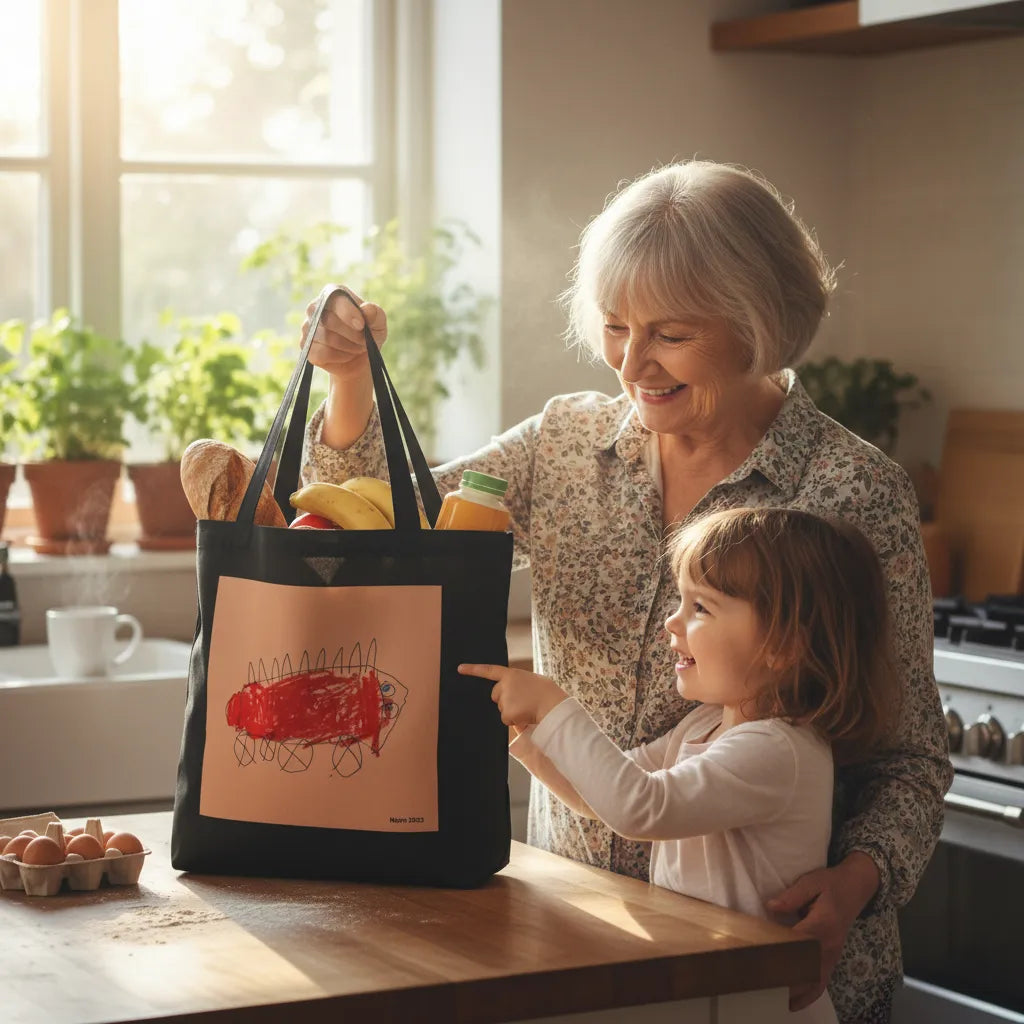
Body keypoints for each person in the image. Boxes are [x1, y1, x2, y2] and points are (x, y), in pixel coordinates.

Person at [298, 159, 952, 1024]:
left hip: (769, 972)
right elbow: (382, 521)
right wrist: (347, 380)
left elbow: (909, 759)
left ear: (759, 323)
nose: (632, 363)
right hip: (576, 941)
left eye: (671, 334)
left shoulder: (850, 491)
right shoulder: (564, 444)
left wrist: (854, 883)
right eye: (614, 327)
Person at [460, 506, 902, 1024]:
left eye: (701, 608)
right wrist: (529, 732)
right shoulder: (703, 728)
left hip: (759, 1005)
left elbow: (638, 808)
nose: (673, 621)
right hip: (717, 989)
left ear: (784, 645)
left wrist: (554, 709)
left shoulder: (780, 750)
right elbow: (599, 795)